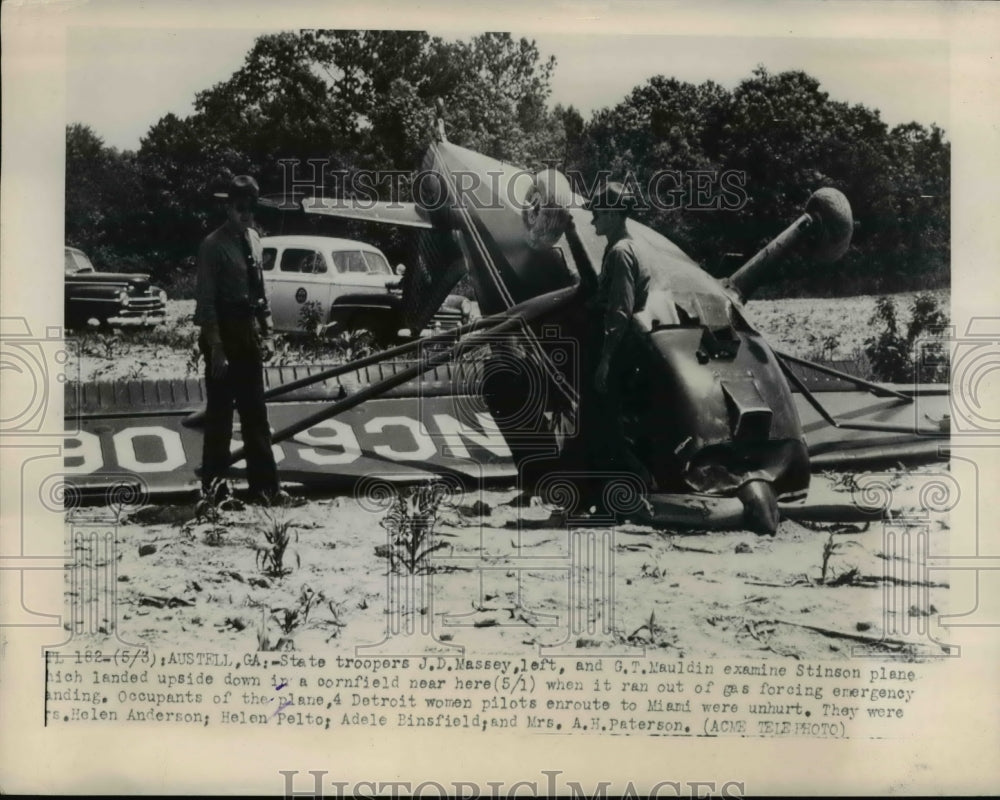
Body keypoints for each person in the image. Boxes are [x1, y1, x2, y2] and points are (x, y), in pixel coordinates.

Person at [194, 174, 289, 506]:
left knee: (256, 414)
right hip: (224, 332)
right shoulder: (212, 247)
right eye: (239, 208)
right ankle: (216, 492)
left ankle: (266, 489)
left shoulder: (254, 239)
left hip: (248, 331)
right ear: (228, 207)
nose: (245, 214)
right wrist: (217, 347)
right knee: (220, 416)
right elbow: (205, 304)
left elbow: (258, 289)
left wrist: (268, 329)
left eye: (250, 208)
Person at [580, 181, 660, 501]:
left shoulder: (620, 252)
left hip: (620, 348)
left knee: (606, 423)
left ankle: (636, 489)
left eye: (598, 212)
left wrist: (605, 360)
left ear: (613, 213)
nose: (593, 219)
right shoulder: (633, 246)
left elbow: (620, 311)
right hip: (632, 346)